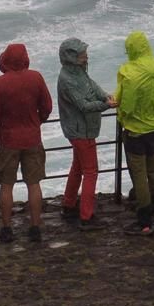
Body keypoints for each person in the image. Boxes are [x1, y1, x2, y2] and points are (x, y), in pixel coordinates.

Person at [0, 42, 53, 244]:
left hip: (8, 140)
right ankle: (35, 227)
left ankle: (6, 228)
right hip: (32, 138)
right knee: (34, 183)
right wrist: (39, 120)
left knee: (6, 185)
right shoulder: (36, 78)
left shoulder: (0, 83)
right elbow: (47, 106)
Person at [114, 31, 154, 235]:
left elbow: (125, 104)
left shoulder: (130, 73)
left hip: (134, 131)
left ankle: (145, 221)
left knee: (139, 175)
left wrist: (123, 118)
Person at [55, 38, 112, 227]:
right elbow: (84, 105)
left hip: (80, 129)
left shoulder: (77, 72)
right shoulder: (67, 80)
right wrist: (106, 105)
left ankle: (69, 205)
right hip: (81, 131)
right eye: (81, 53)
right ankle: (86, 216)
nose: (86, 55)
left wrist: (104, 95)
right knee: (91, 171)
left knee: (78, 168)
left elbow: (91, 84)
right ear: (71, 57)